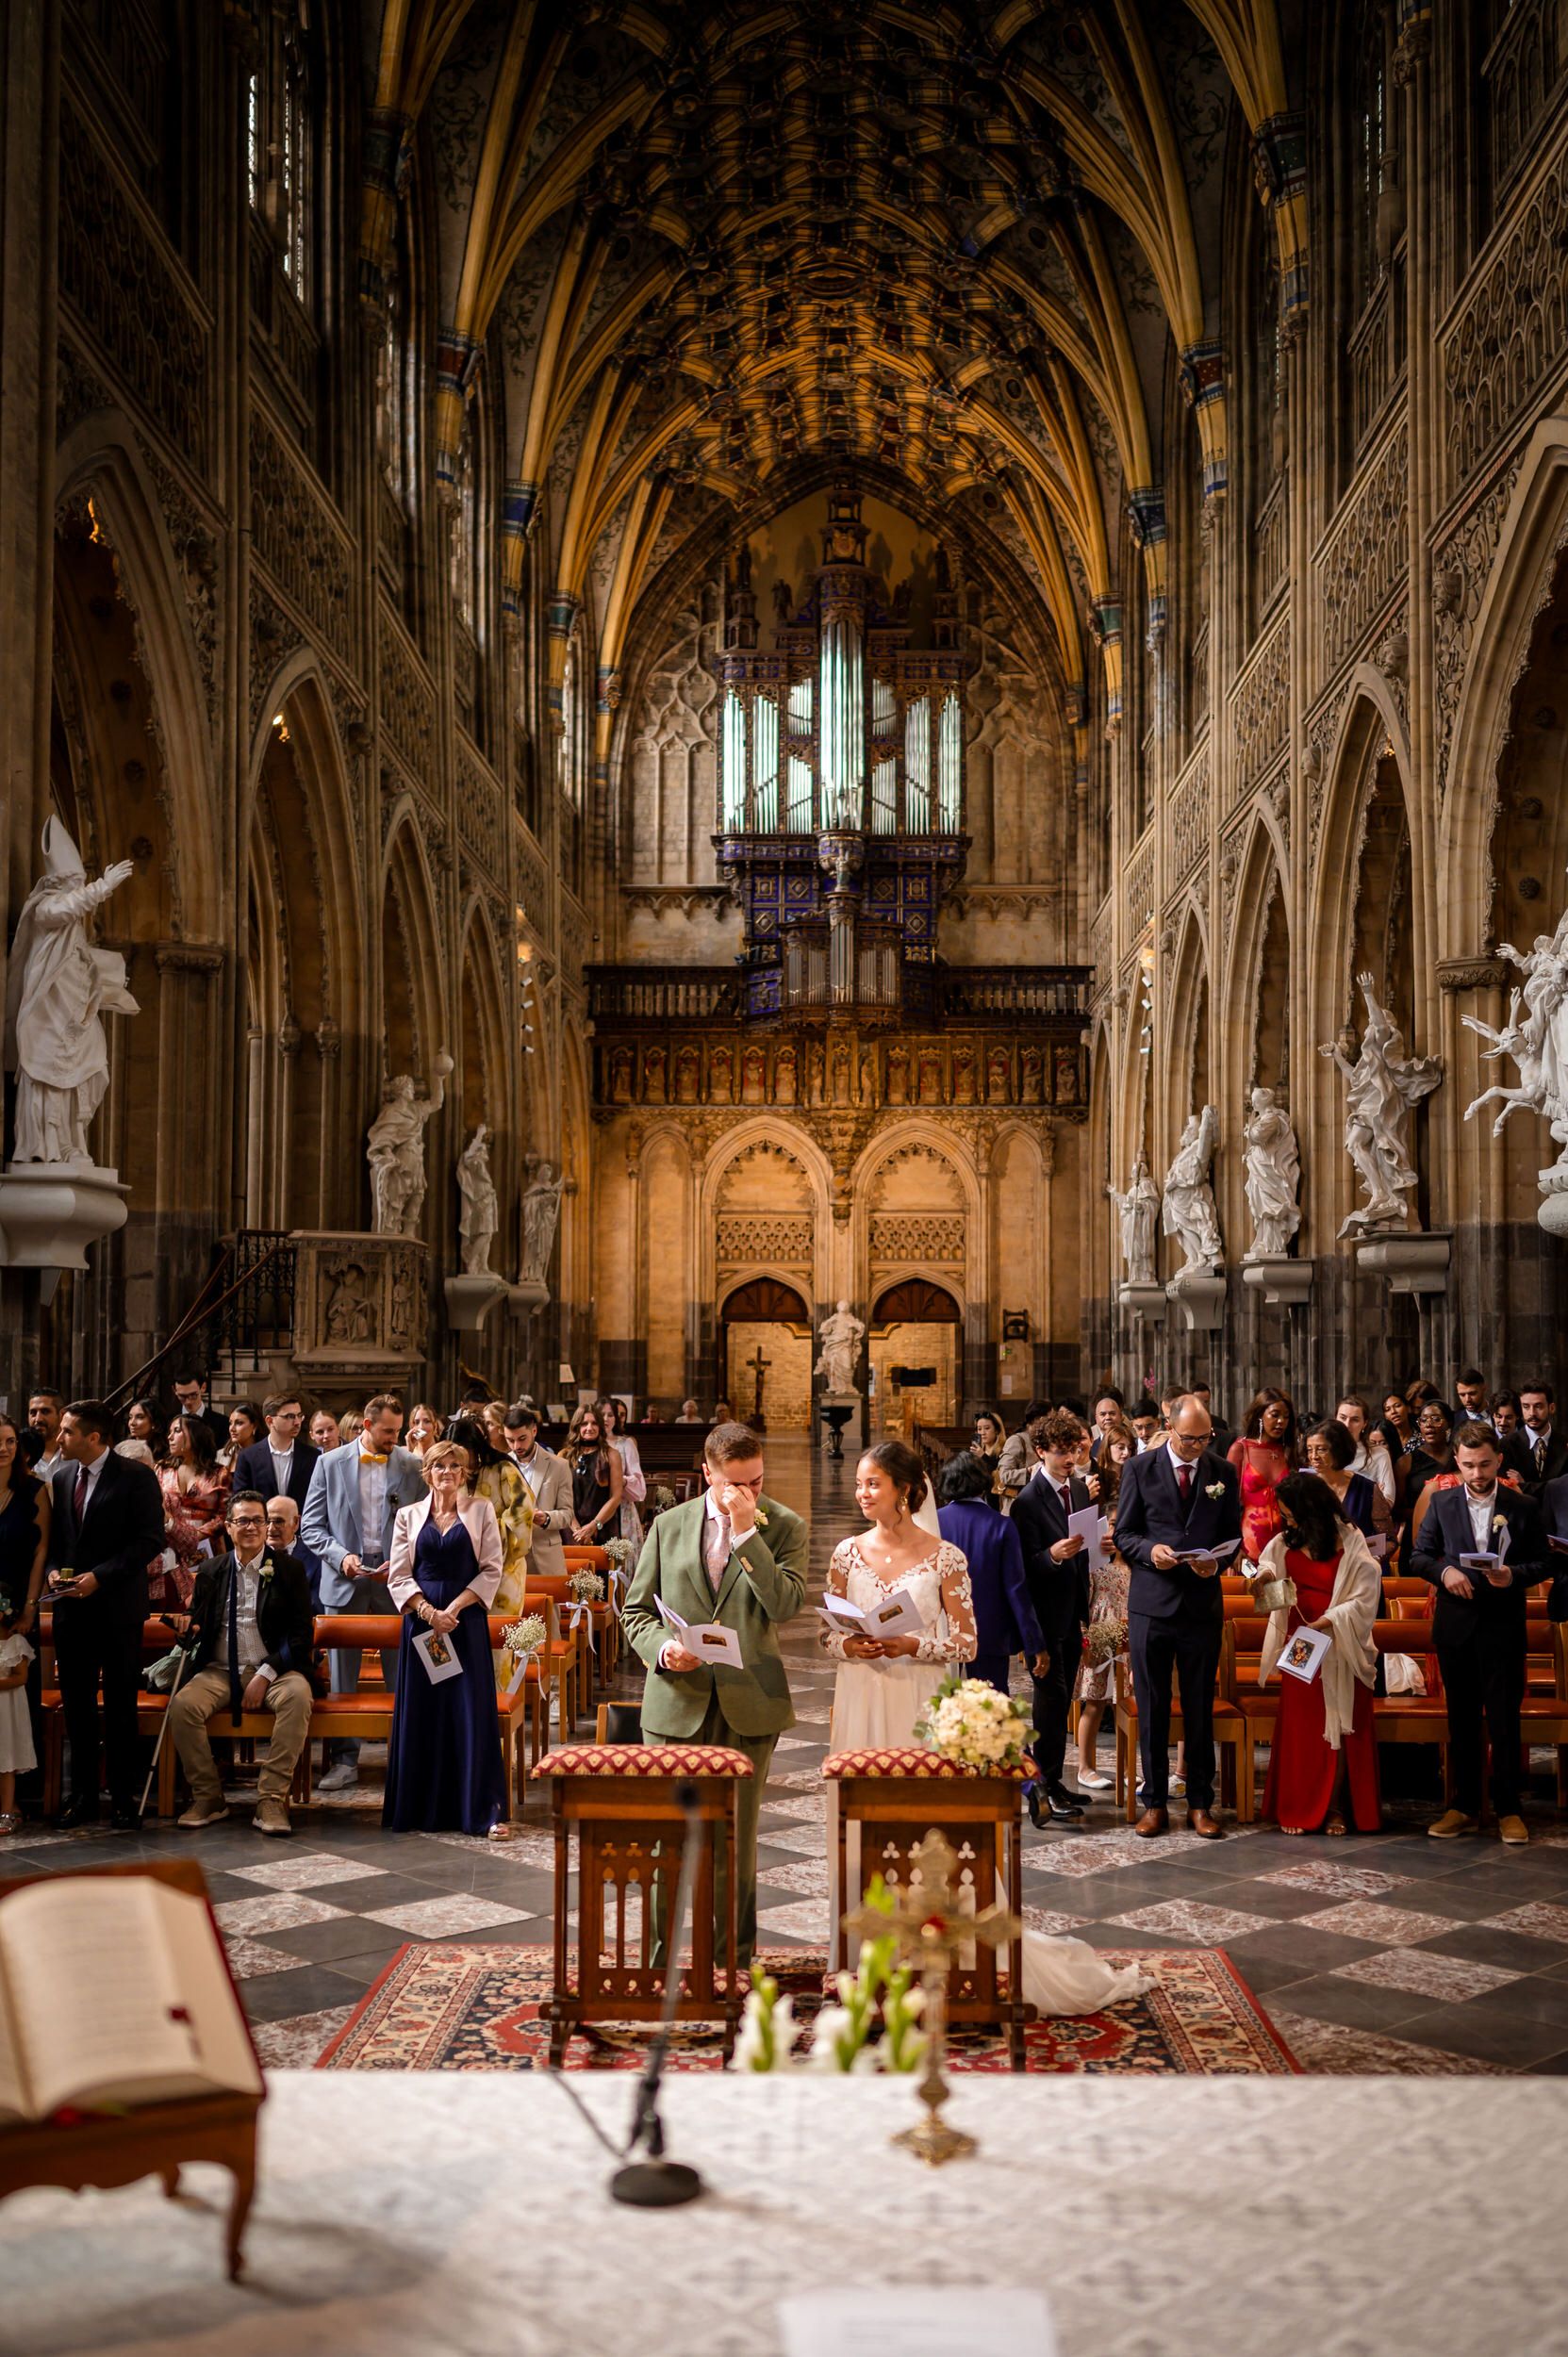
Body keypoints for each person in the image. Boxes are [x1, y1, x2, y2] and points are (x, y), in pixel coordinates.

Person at [622, 1421, 808, 1968]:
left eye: (756, 1481)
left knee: (734, 1846)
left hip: (749, 1702)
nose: (747, 1493)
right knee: (667, 1843)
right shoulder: (669, 1526)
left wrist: (748, 1532)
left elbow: (783, 1606)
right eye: (735, 1484)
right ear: (707, 1473)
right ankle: (659, 1963)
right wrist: (662, 1650)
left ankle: (732, 1965)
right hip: (677, 1698)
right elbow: (636, 1611)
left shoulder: (784, 1526)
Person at [1413, 1420, 1552, 1844]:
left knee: (1505, 1720)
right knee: (1463, 1721)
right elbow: (1417, 1556)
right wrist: (1445, 1571)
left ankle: (1510, 1809)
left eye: (1485, 1465)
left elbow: (1545, 1563)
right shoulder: (1442, 1502)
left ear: (1499, 1461)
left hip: (1502, 1626)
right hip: (1456, 1625)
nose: (1477, 1474)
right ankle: (1463, 1806)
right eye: (1469, 1465)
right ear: (1457, 1461)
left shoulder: (1523, 1505)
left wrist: (1513, 1575)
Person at [1113, 1392, 1242, 1839]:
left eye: (1204, 1439)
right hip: (1153, 1602)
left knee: (1199, 1706)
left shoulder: (1222, 1472)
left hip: (1201, 1604)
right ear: (1170, 1428)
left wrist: (1218, 1562)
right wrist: (1153, 1551)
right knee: (1152, 1708)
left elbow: (1233, 1536)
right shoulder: (1139, 1469)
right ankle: (1154, 1803)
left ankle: (1201, 1803)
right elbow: (1125, 1534)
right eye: (1189, 1439)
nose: (1197, 1447)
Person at [167, 1491, 321, 1837]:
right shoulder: (211, 1570)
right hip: (220, 1668)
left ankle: (270, 1798)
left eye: (258, 1520)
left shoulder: (288, 1570)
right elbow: (197, 1623)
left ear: (267, 1526)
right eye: (242, 1521)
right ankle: (209, 1797)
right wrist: (186, 1627)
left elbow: (301, 1636)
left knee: (298, 1697)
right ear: (228, 1526)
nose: (251, 1527)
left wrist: (266, 1674)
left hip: (276, 1669)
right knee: (183, 1706)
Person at [46, 1400, 165, 1829]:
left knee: (119, 1707)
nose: (59, 1438)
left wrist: (100, 1576)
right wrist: (54, 1571)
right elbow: (58, 1541)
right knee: (77, 1706)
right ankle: (82, 1797)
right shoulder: (61, 1478)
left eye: (67, 1431)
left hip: (117, 1610)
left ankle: (121, 1798)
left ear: (93, 1437)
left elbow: (150, 1540)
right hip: (71, 1613)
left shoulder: (136, 1477)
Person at [301, 1393, 427, 1793]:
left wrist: (401, 1558)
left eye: (399, 1430)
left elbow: (425, 1521)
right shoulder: (329, 1463)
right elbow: (311, 1527)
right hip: (345, 1580)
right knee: (342, 1677)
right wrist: (342, 1559)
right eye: (390, 1431)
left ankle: (404, 1757)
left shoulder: (410, 1463)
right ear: (367, 1426)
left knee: (401, 1671)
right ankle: (344, 1760)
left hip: (395, 1580)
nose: (397, 1437)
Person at [383, 1439, 507, 1838]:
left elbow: (492, 1569)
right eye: (440, 1466)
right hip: (422, 1626)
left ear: (464, 1472)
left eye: (456, 1466)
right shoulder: (408, 1516)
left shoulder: (482, 1510)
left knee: (469, 1711)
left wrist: (452, 1610)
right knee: (425, 1712)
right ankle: (419, 1808)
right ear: (428, 1472)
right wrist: (427, 1612)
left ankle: (481, 1811)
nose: (448, 1472)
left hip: (464, 1624)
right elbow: (399, 1575)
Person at [1254, 1472, 1381, 1836]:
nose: (1287, 1521)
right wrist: (1262, 1581)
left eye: (1291, 1514)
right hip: (1301, 1644)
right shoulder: (1284, 1542)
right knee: (1304, 1730)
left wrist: (1328, 1621)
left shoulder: (1350, 1541)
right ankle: (1298, 1803)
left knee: (1341, 1726)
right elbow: (1269, 1582)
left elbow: (1366, 1595)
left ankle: (1336, 1808)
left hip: (1341, 1643)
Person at [1013, 1410, 1098, 1822]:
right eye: (1062, 1452)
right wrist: (1051, 1555)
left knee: (1062, 1700)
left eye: (1075, 1450)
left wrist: (1098, 1547)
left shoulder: (1079, 1491)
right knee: (1049, 1702)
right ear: (1041, 1451)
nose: (1070, 1459)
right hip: (1043, 1617)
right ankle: (1040, 1786)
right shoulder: (1027, 1503)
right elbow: (1021, 1569)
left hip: (1071, 1611)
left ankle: (1054, 1779)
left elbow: (1084, 1548)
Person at [935, 1449, 1042, 1701]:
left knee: (938, 1704)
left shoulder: (933, 1524)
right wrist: (1033, 1641)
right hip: (990, 1630)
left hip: (941, 1627)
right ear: (983, 1482)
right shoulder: (1001, 1525)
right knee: (990, 1707)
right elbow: (1016, 1588)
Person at [1075, 1422, 1138, 1790]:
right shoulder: (1095, 1563)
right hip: (1100, 1630)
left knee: (1130, 1705)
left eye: (1120, 1527)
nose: (1113, 1533)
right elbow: (1085, 1599)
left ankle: (1131, 1768)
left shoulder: (1135, 1565)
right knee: (1095, 1701)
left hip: (1130, 1632)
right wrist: (1085, 1639)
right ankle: (1085, 1766)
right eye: (1109, 1526)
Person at [446, 1416, 532, 1621]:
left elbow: (522, 1520)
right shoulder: (450, 1474)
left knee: (496, 1646)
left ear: (473, 1446)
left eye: (458, 1451)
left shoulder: (503, 1468)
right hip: (459, 1575)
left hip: (502, 1574)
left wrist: (477, 1534)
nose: (453, 1460)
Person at [233, 1393, 322, 1591]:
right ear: (270, 1421)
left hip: (301, 1542)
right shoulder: (249, 1456)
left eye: (299, 1416)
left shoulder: (313, 1456)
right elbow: (240, 1500)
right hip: (260, 1539)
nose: (297, 1421)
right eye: (289, 1417)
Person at [156, 1412, 232, 1609]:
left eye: (177, 1431)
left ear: (196, 1434)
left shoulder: (219, 1473)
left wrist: (194, 1536)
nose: (170, 1437)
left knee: (207, 1603)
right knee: (176, 1603)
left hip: (206, 1545)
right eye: (169, 1432)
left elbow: (224, 1516)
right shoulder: (162, 1470)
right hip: (170, 1544)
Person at [503, 1406, 574, 1580]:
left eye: (522, 1439)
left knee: (552, 1607)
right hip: (512, 1556)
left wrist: (547, 1518)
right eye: (510, 1440)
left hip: (546, 1554)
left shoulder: (559, 1466)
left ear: (534, 1430)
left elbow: (567, 1513)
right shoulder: (502, 1465)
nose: (516, 1446)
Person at [1229, 1389, 1297, 1563]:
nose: (1281, 1422)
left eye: (1286, 1417)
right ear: (1260, 1415)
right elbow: (1225, 1503)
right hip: (1247, 1545)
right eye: (1275, 1415)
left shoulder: (1288, 1452)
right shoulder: (1241, 1449)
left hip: (1286, 1543)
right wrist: (1233, 1547)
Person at [1304, 1419, 1392, 1543]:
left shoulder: (1367, 1489)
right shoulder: (1304, 1489)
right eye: (1309, 1449)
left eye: (1321, 1449)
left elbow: (1387, 1540)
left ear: (1339, 1450)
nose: (1314, 1456)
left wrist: (1362, 1556)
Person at [0, 1413, 48, 1635]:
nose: (4, 1448)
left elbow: (41, 1550)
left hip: (17, 1601)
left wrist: (30, 1608)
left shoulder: (34, 1491)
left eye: (10, 1441)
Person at [563, 1403, 624, 1545]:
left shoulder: (612, 1455)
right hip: (572, 1529)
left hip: (603, 1528)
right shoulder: (564, 1456)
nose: (589, 1428)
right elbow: (561, 1499)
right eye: (584, 1423)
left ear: (600, 1427)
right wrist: (578, 1530)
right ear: (577, 1426)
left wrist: (593, 1526)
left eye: (594, 1423)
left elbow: (616, 1497)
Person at [0, 1598, 34, 1835]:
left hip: (6, 1711)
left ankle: (7, 1811)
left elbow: (21, 1678)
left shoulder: (16, 1643)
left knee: (5, 1761)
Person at [1399, 1399, 1455, 1536]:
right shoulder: (1405, 1462)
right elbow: (1398, 1509)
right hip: (1419, 1530)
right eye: (1423, 1420)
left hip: (1454, 1529)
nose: (1429, 1425)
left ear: (1449, 1424)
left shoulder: (1459, 1458)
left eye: (1436, 1419)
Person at [599, 1394, 647, 1545]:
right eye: (602, 1415)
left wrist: (621, 1480)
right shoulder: (587, 1444)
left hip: (621, 1510)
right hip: (593, 1509)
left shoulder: (626, 1444)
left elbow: (639, 1486)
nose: (606, 1419)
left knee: (620, 1561)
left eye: (610, 1415)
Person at [1335, 1394, 1396, 1508]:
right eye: (1343, 1418)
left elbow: (1388, 1501)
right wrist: (1371, 1490)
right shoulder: (1323, 1450)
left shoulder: (1379, 1454)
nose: (1347, 1425)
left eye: (1355, 1420)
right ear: (1335, 1419)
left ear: (1365, 1423)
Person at [1506, 1382, 1566, 1494]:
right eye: (1526, 1407)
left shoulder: (1565, 1445)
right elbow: (1508, 1492)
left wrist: (1524, 1486)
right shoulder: (1506, 1446)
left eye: (1538, 1406)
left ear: (1551, 1408)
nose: (1532, 1413)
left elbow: (1564, 1489)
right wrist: (1553, 1486)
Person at [996, 1397, 1049, 1504]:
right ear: (1038, 1419)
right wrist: (1029, 1471)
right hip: (1018, 1505)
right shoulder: (1016, 1440)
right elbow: (1004, 1475)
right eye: (1049, 1418)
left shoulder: (1044, 1439)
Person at [172, 1373, 229, 1453]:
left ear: (203, 1387)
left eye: (193, 1395)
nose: (188, 1401)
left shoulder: (223, 1423)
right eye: (182, 1396)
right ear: (174, 1391)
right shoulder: (168, 1421)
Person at [27, 1391, 65, 1484]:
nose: (38, 1419)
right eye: (33, 1412)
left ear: (61, 1415)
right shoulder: (21, 1454)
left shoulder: (75, 1453)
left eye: (45, 1412)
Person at [220, 1402, 263, 1474]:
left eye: (239, 1423)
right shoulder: (220, 1456)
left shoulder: (265, 1457)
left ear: (254, 1426)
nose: (232, 1429)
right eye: (230, 1423)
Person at [115, 1398, 159, 1467]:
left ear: (154, 1422)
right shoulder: (124, 1449)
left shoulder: (167, 1455)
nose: (132, 1423)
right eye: (130, 1417)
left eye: (140, 1417)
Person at [971, 1409, 1006, 1487]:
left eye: (987, 1428)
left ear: (997, 1430)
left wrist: (983, 1456)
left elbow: (998, 1474)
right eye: (979, 1429)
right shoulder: (977, 1451)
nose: (982, 1433)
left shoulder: (1004, 1450)